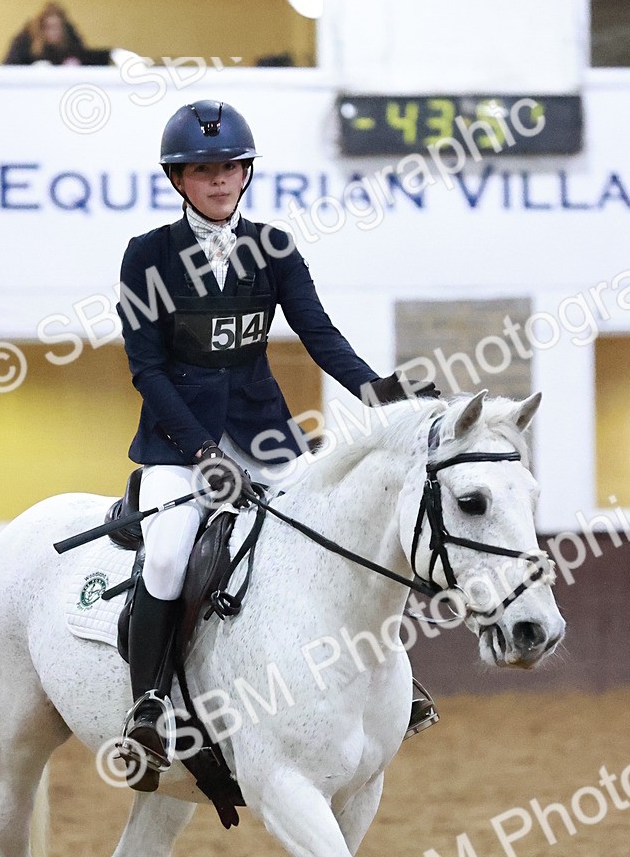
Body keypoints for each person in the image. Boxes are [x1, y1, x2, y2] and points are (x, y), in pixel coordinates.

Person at [116, 99, 439, 790]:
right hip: (178, 444)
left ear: (246, 172)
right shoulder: (148, 255)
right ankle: (148, 702)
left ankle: (388, 686)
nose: (218, 180)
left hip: (266, 430)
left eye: (229, 168)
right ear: (179, 180)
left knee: (331, 537)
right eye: (202, 170)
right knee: (170, 554)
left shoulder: (275, 248)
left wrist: (377, 392)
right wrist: (203, 454)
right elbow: (146, 369)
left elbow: (319, 334)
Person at [3, 0, 87, 65]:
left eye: (58, 27)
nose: (54, 32)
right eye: (49, 27)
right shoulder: (24, 41)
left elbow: (84, 61)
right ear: (41, 28)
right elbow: (10, 67)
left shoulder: (72, 41)